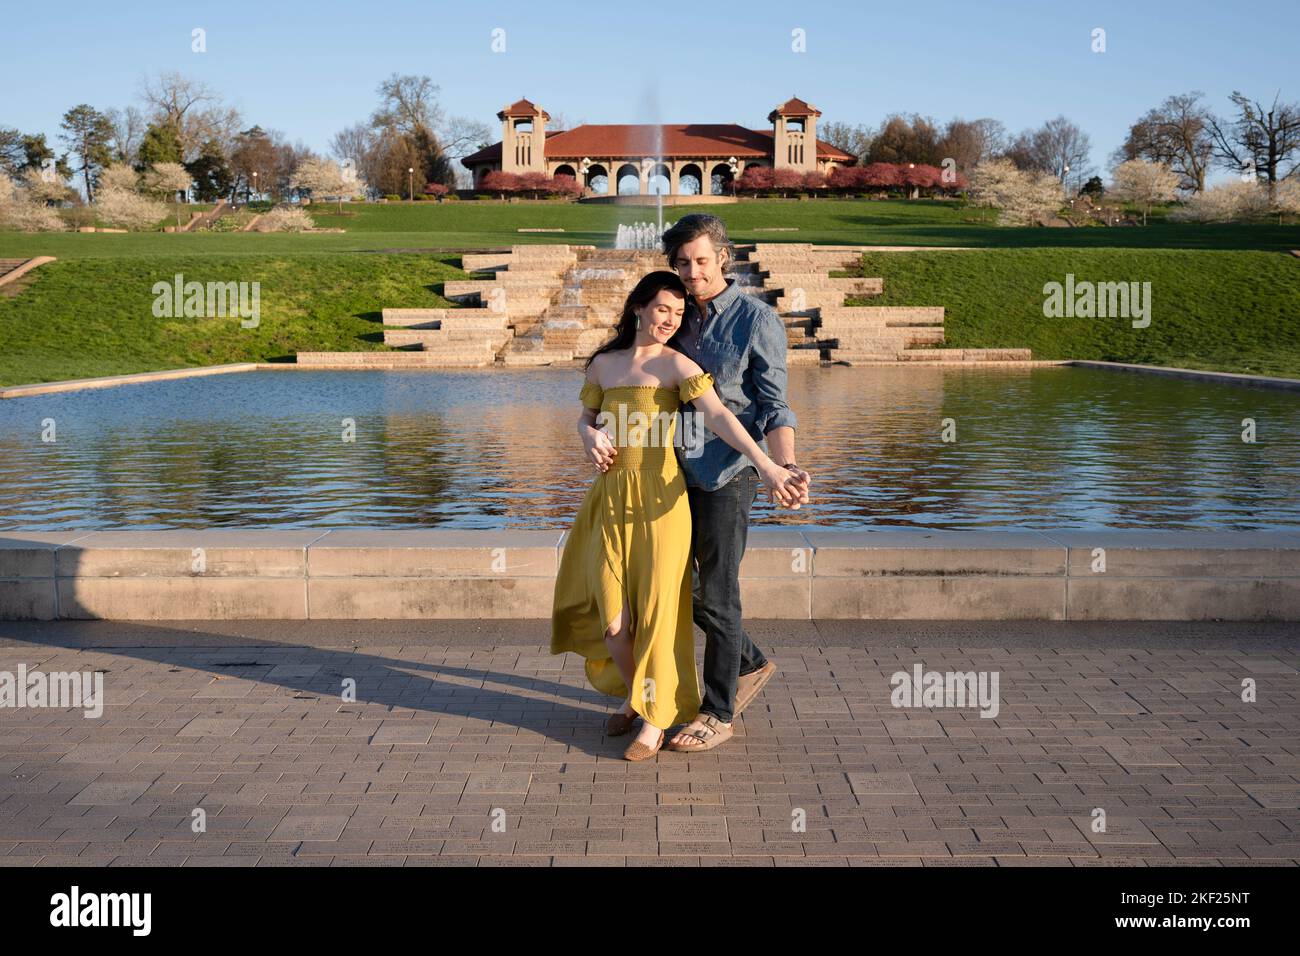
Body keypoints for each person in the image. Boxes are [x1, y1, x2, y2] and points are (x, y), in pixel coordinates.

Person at [550, 270, 800, 760]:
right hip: (609, 501)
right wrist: (587, 435)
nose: (670, 320)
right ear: (639, 307)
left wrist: (769, 466)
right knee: (614, 624)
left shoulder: (677, 366)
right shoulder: (602, 365)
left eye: (679, 313)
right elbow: (586, 417)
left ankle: (653, 717)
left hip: (663, 502)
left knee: (662, 615)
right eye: (662, 308)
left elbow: (721, 417)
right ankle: (639, 695)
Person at [660, 214, 811, 753]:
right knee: (677, 584)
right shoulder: (673, 316)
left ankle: (717, 710)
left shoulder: (755, 319)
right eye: (681, 262)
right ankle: (748, 659)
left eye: (700, 260)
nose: (691, 271)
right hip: (673, 469)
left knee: (719, 590)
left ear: (722, 256)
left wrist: (785, 465)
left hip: (729, 470)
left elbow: (774, 406)